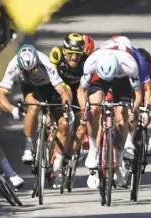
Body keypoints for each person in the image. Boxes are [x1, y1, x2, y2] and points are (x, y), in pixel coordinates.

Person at [0, 44, 72, 186]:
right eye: (25, 71)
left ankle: (58, 163)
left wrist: (67, 108)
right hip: (30, 88)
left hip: (49, 87)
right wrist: (12, 109)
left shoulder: (45, 62)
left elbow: (62, 90)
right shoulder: (13, 65)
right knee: (34, 107)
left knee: (64, 125)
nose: (30, 73)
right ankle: (28, 146)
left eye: (33, 70)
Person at [78, 36, 144, 187]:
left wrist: (134, 109)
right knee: (94, 107)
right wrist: (84, 110)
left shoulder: (129, 64)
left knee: (123, 114)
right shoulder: (92, 62)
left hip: (122, 78)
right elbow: (81, 91)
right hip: (100, 78)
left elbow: (138, 94)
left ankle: (119, 154)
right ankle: (93, 150)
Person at [48, 33, 92, 164]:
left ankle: (65, 158)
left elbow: (84, 89)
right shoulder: (57, 55)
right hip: (56, 88)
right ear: (64, 51)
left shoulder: (86, 62)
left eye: (78, 54)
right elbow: (48, 78)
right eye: (71, 53)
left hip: (77, 91)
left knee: (82, 127)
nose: (74, 58)